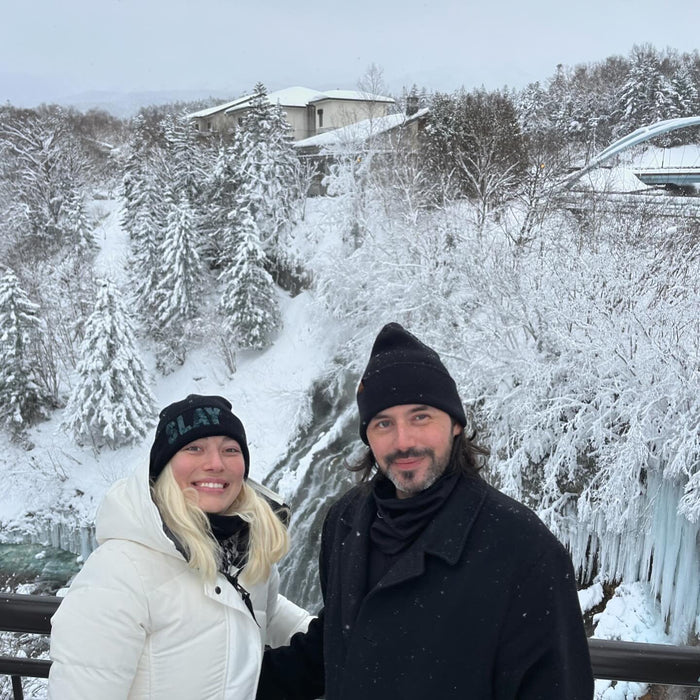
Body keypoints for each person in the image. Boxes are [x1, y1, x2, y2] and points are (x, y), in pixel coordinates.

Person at [257, 322, 594, 700]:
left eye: (420, 417)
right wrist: (234, 681)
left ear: (455, 424)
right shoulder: (345, 521)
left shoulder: (523, 550)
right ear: (367, 435)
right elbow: (336, 645)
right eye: (384, 423)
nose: (403, 442)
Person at [49, 394, 311, 700]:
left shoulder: (243, 555)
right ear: (164, 466)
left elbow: (266, 609)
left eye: (230, 449)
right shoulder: (119, 571)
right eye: (194, 448)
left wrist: (339, 632)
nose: (215, 463)